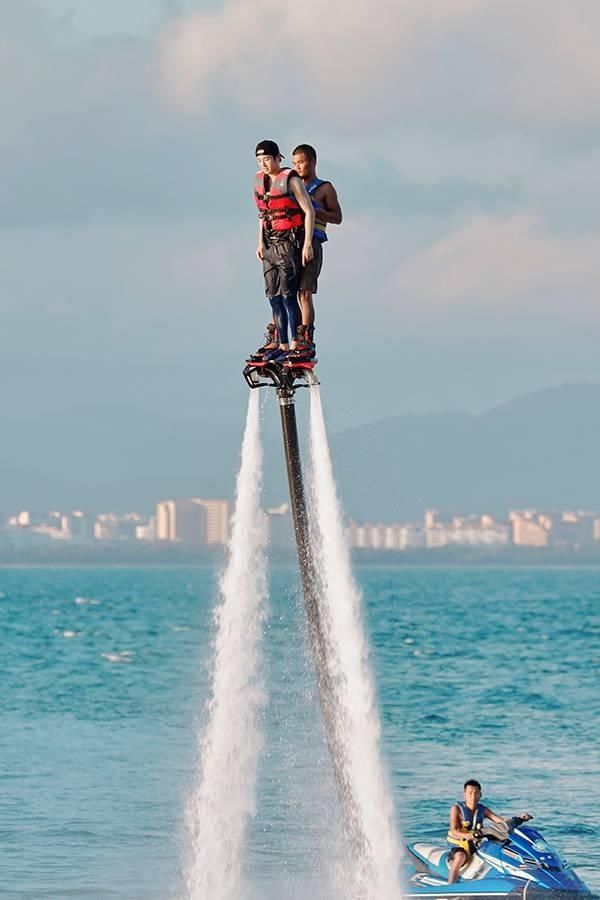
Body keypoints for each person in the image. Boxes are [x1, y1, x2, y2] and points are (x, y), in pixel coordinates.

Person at [250, 140, 315, 363]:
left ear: (278, 158)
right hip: (269, 245)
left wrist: (307, 243)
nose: (264, 164)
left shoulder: (291, 179)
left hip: (287, 243)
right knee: (273, 297)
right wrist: (260, 243)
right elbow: (262, 215)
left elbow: (308, 211)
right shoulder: (261, 181)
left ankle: (295, 346)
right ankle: (281, 344)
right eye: (260, 161)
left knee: (289, 295)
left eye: (267, 159)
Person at [284, 143, 342, 361]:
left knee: (305, 293)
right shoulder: (291, 186)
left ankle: (307, 338)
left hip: (313, 245)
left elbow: (338, 217)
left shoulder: (324, 188)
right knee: (287, 293)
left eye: (302, 162)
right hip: (291, 244)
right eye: (295, 163)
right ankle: (285, 337)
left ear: (313, 162)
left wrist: (318, 210)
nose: (298, 167)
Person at [447, 779, 532, 884]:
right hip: (459, 845)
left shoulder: (482, 809)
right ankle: (451, 884)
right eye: (470, 793)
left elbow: (500, 821)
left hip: (475, 844)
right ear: (465, 794)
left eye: (476, 793)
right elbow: (454, 830)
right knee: (460, 856)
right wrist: (465, 835)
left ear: (480, 795)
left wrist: (519, 819)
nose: (473, 796)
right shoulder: (456, 809)